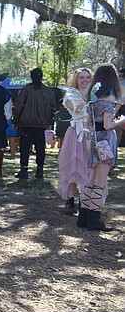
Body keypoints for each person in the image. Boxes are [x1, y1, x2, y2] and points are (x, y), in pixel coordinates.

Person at [79, 63, 123, 231]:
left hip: (94, 140)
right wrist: (121, 120)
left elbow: (89, 122)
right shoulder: (109, 97)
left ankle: (83, 216)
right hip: (106, 141)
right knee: (100, 181)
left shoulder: (93, 98)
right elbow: (107, 124)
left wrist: (117, 107)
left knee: (91, 180)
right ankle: (94, 219)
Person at [57, 68, 93, 214]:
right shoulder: (70, 95)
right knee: (73, 166)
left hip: (90, 133)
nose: (85, 80)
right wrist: (86, 101)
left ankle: (85, 200)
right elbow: (77, 110)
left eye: (87, 77)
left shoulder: (95, 94)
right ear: (76, 80)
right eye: (81, 78)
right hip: (76, 133)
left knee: (88, 167)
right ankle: (70, 199)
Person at [12, 68, 58, 179]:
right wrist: (49, 122)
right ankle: (39, 170)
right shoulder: (48, 92)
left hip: (25, 123)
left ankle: (24, 169)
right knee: (40, 148)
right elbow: (53, 108)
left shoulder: (25, 90)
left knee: (24, 147)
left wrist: (16, 120)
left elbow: (19, 106)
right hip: (41, 124)